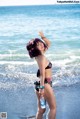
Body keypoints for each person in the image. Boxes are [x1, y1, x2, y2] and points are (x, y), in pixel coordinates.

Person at [26, 31, 56, 119]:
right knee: (53, 108)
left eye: (41, 43)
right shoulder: (41, 57)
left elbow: (48, 43)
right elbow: (42, 74)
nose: (41, 45)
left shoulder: (39, 56)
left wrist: (43, 37)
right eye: (38, 45)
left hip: (41, 85)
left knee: (41, 110)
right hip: (44, 85)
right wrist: (42, 89)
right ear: (35, 48)